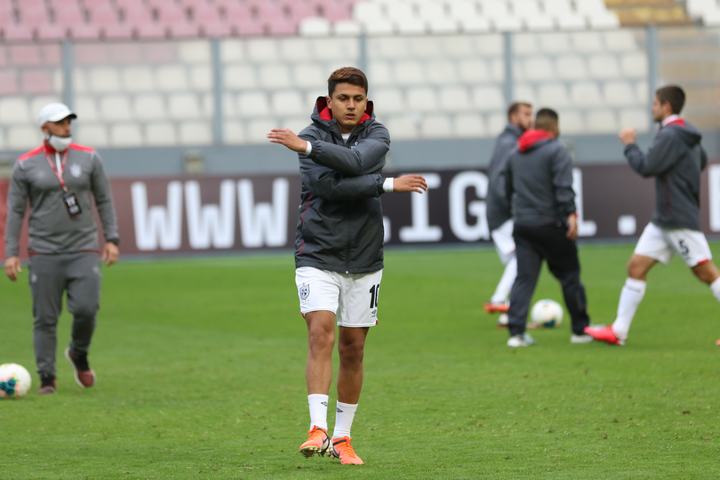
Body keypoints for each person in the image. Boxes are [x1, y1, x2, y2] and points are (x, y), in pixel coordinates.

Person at [267, 67, 427, 465]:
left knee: (353, 348)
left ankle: (342, 438)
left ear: (366, 101)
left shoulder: (377, 134)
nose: (351, 106)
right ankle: (316, 428)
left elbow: (356, 164)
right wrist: (386, 183)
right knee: (320, 332)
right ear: (330, 101)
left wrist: (310, 151)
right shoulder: (310, 135)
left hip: (365, 258)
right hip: (318, 253)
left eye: (358, 99)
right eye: (343, 99)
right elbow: (327, 187)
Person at [585, 85, 717, 346]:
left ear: (666, 106)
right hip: (664, 219)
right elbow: (700, 161)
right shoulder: (687, 133)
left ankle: (618, 330)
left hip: (677, 217)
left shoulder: (670, 135)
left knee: (706, 273)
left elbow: (646, 166)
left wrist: (629, 145)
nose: (652, 108)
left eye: (655, 103)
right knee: (636, 267)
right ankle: (618, 331)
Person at [3, 102, 120, 394]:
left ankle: (78, 352)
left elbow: (104, 199)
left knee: (87, 309)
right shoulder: (25, 164)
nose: (67, 127)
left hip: (83, 248)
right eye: (60, 123)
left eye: (69, 122)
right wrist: (11, 252)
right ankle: (47, 378)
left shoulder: (89, 158)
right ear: (45, 128)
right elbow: (15, 210)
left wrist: (112, 238)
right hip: (43, 251)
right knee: (45, 318)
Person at [503, 108, 592, 347]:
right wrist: (571, 215)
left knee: (524, 279)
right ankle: (580, 330)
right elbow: (563, 187)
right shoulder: (557, 150)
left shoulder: (515, 153)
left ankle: (516, 334)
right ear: (554, 127)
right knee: (570, 276)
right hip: (551, 224)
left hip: (523, 225)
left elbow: (506, 188)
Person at [484, 101, 533, 324]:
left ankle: (510, 315)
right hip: (504, 213)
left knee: (519, 265)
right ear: (513, 117)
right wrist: (514, 207)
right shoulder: (510, 143)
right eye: (526, 114)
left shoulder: (508, 140)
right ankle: (499, 299)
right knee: (523, 257)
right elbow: (499, 180)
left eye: (531, 114)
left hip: (499, 211)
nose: (530, 118)